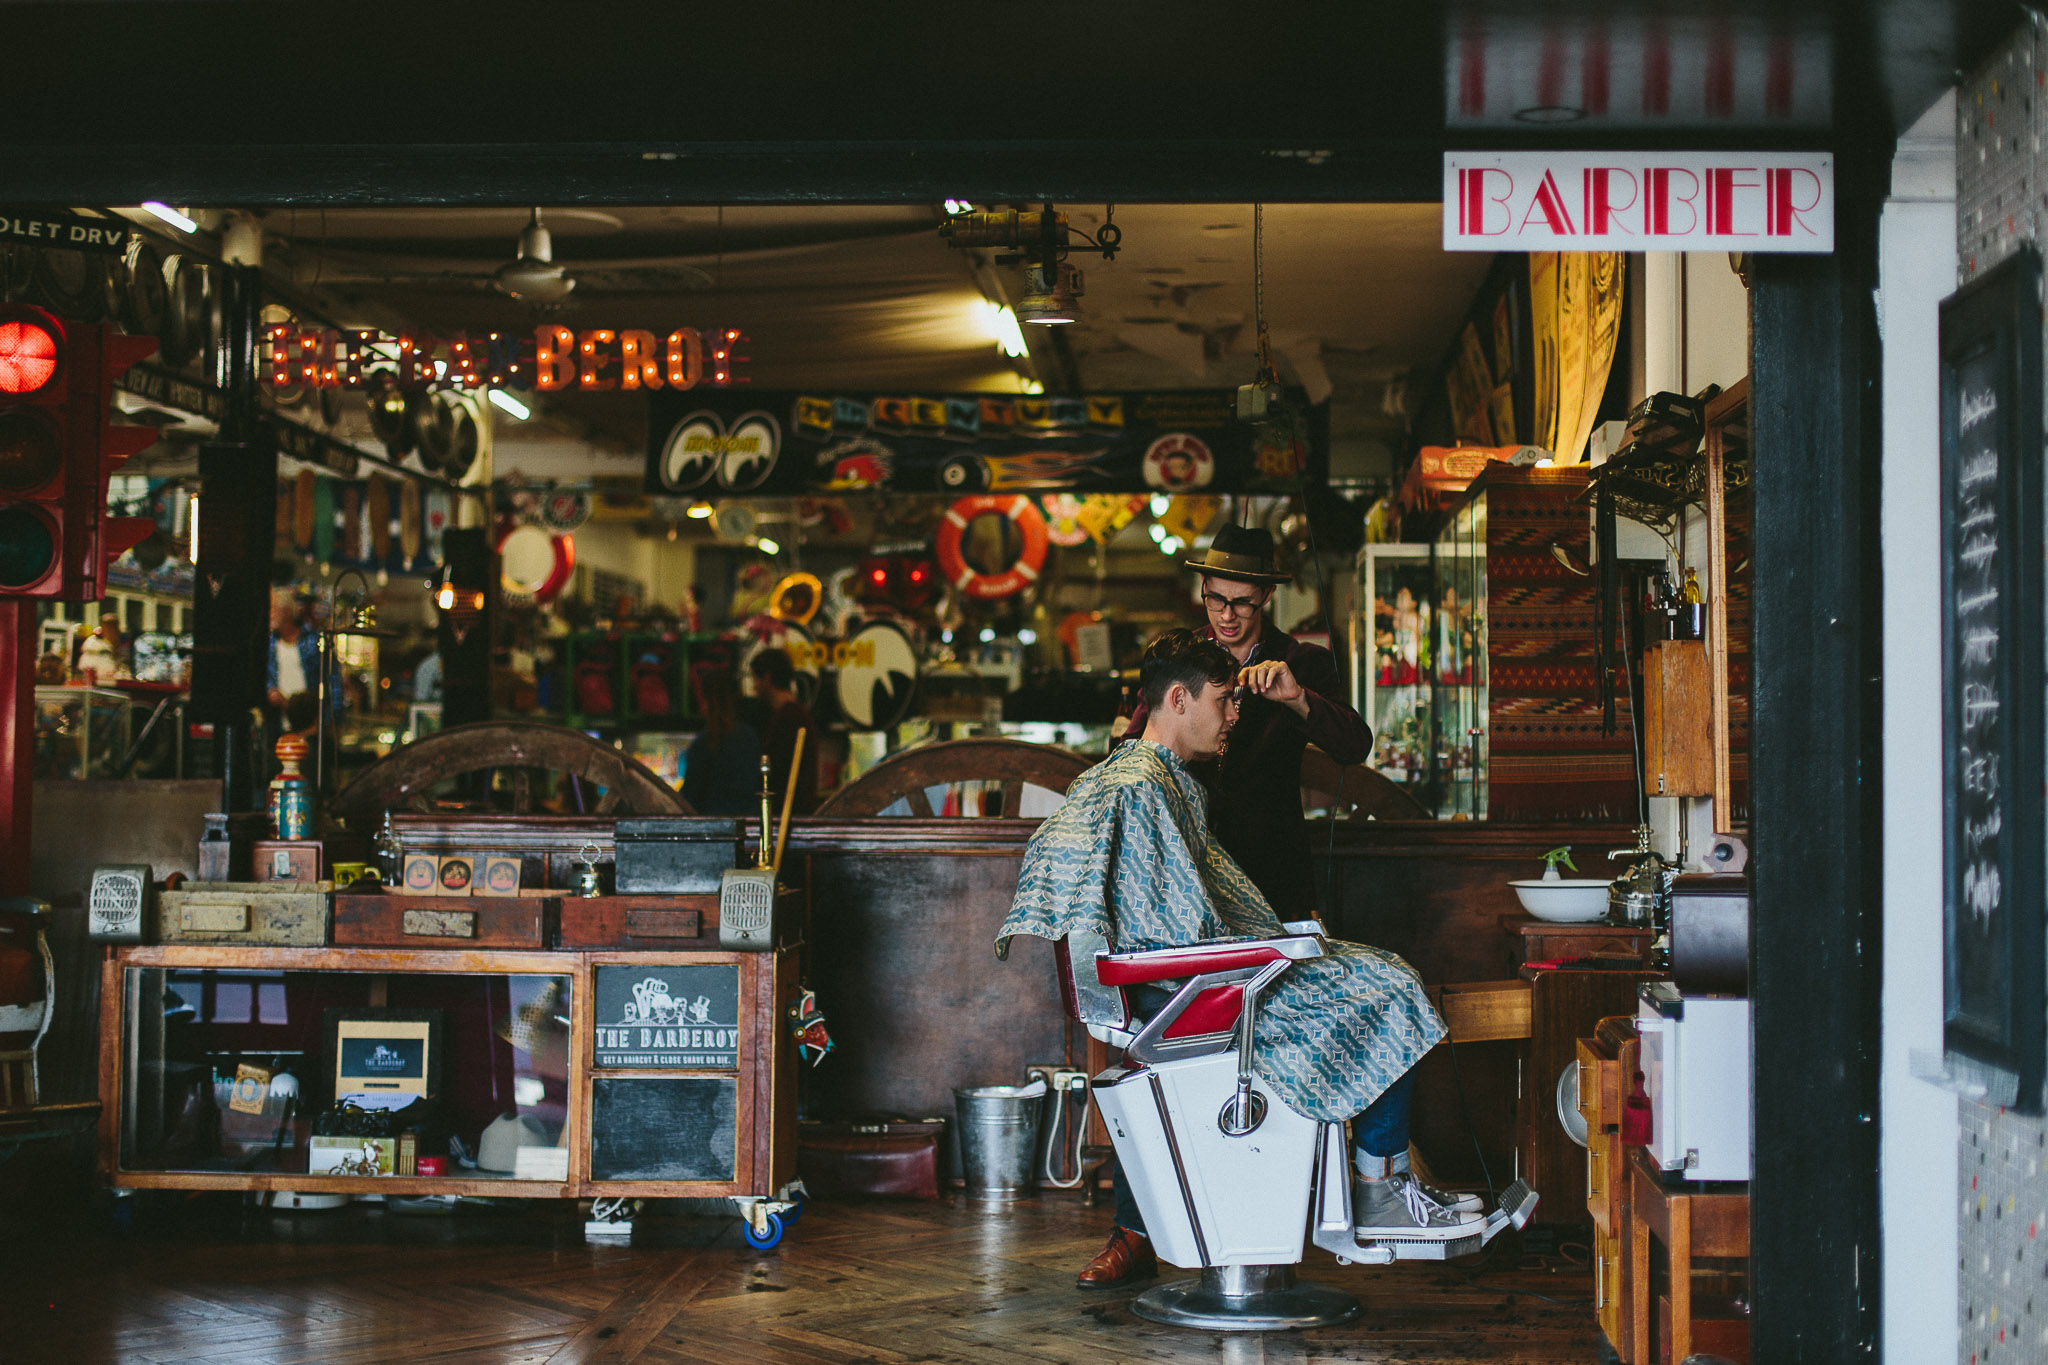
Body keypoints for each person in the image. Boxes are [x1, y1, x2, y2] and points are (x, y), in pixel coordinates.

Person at [1000, 631, 1481, 1289]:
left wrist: (1279, 940)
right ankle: (1379, 1187)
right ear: (1178, 697)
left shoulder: (1155, 777)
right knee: (1389, 985)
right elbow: (1172, 938)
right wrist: (1274, 950)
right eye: (1225, 700)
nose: (1234, 715)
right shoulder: (1145, 788)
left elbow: (1178, 923)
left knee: (1380, 972)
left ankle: (1379, 1184)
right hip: (1194, 996)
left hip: (1197, 981)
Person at [1118, 523, 1371, 917]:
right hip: (1187, 868)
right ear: (1202, 585)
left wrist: (1299, 699)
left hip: (1271, 869)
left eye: (1242, 602)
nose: (1226, 615)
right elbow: (1129, 751)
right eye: (1215, 599)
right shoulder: (1180, 659)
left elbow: (1355, 745)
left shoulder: (1303, 662)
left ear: (1267, 595)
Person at [683, 668, 765, 815]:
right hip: (750, 825)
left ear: (705, 699)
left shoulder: (704, 742)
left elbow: (689, 797)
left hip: (714, 828)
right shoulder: (750, 737)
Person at [748, 648, 818, 815]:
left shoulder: (788, 718)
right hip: (796, 812)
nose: (754, 687)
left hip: (789, 815)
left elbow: (779, 775)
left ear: (767, 678)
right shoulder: (797, 714)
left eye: (755, 679)